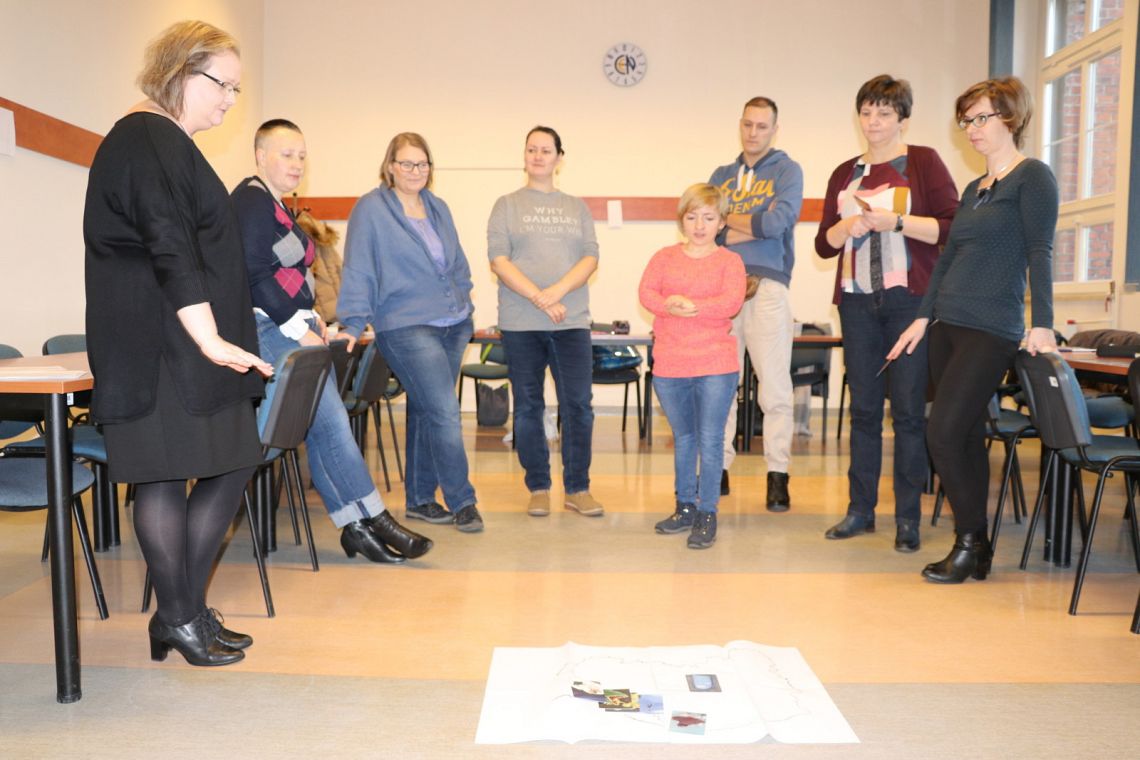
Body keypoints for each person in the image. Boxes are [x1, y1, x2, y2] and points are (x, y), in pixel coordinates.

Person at [84, 20, 272, 667]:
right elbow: (167, 241)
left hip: (183, 343)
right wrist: (211, 337)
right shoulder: (144, 135)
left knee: (233, 460)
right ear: (181, 71)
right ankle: (181, 616)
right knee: (162, 478)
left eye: (236, 90)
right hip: (161, 347)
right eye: (223, 85)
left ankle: (179, 611)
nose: (230, 101)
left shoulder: (167, 141)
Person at [231, 119, 432, 564]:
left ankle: (356, 526)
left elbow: (290, 276)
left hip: (289, 327)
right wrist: (295, 325)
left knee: (326, 425)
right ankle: (375, 518)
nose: (297, 164)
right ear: (260, 155)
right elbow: (253, 274)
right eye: (287, 154)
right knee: (334, 423)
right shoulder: (250, 201)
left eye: (302, 156)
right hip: (266, 330)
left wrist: (315, 318)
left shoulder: (276, 204)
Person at [888, 76, 1058, 583]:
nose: (972, 128)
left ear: (1011, 116)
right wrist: (923, 316)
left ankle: (969, 542)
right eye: (966, 120)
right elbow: (948, 258)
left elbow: (1040, 251)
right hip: (948, 325)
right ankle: (976, 549)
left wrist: (1043, 322)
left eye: (982, 117)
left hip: (991, 328)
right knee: (963, 436)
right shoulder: (973, 188)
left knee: (941, 433)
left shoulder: (1033, 177)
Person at [814, 75, 959, 552]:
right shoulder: (845, 172)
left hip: (908, 302)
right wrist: (846, 228)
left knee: (910, 412)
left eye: (884, 113)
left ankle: (908, 518)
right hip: (856, 301)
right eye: (867, 112)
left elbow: (951, 226)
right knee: (863, 411)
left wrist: (895, 221)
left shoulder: (923, 161)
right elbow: (823, 244)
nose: (873, 121)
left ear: (903, 119)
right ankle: (860, 510)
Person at [339, 133, 483, 532]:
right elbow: (359, 267)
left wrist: (465, 301)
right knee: (445, 411)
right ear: (390, 166)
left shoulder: (437, 207)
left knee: (426, 408)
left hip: (453, 324)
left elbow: (457, 263)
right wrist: (353, 321)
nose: (415, 171)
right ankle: (463, 500)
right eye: (406, 163)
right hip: (405, 325)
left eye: (422, 164)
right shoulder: (371, 209)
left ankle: (420, 499)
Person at [487, 126, 603, 519]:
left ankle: (578, 488)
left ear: (559, 158)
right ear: (524, 155)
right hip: (521, 323)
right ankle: (538, 486)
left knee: (578, 406)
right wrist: (539, 297)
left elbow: (590, 257)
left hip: (571, 322)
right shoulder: (506, 205)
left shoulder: (576, 207)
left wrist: (556, 292)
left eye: (546, 150)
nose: (538, 156)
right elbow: (499, 260)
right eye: (532, 149)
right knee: (528, 407)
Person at [639, 184, 745, 549]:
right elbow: (646, 292)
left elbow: (732, 302)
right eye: (692, 216)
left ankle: (707, 513)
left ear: (721, 222)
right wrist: (669, 304)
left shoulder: (730, 262)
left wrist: (693, 306)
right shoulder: (664, 257)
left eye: (709, 217)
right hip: (671, 363)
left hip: (715, 362)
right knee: (684, 437)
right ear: (682, 220)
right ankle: (684, 506)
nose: (700, 225)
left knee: (711, 439)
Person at [710, 97, 803, 511]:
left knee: (775, 386)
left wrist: (728, 220)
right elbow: (708, 231)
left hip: (767, 286)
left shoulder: (787, 171)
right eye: (748, 124)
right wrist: (753, 225)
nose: (753, 132)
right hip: (723, 287)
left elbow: (778, 222)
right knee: (722, 384)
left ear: (774, 130)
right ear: (740, 125)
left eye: (762, 126)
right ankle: (718, 468)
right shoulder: (721, 175)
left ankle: (777, 475)